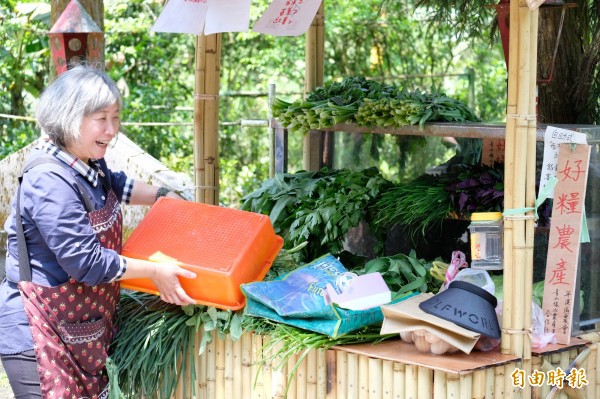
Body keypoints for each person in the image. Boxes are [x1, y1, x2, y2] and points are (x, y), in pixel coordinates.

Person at [0, 64, 197, 398]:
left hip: (78, 329)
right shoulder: (49, 180)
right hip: (37, 333)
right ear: (69, 117)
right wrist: (155, 272)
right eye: (101, 118)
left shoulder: (87, 163)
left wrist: (162, 195)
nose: (111, 129)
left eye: (116, 117)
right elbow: (87, 263)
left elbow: (114, 185)